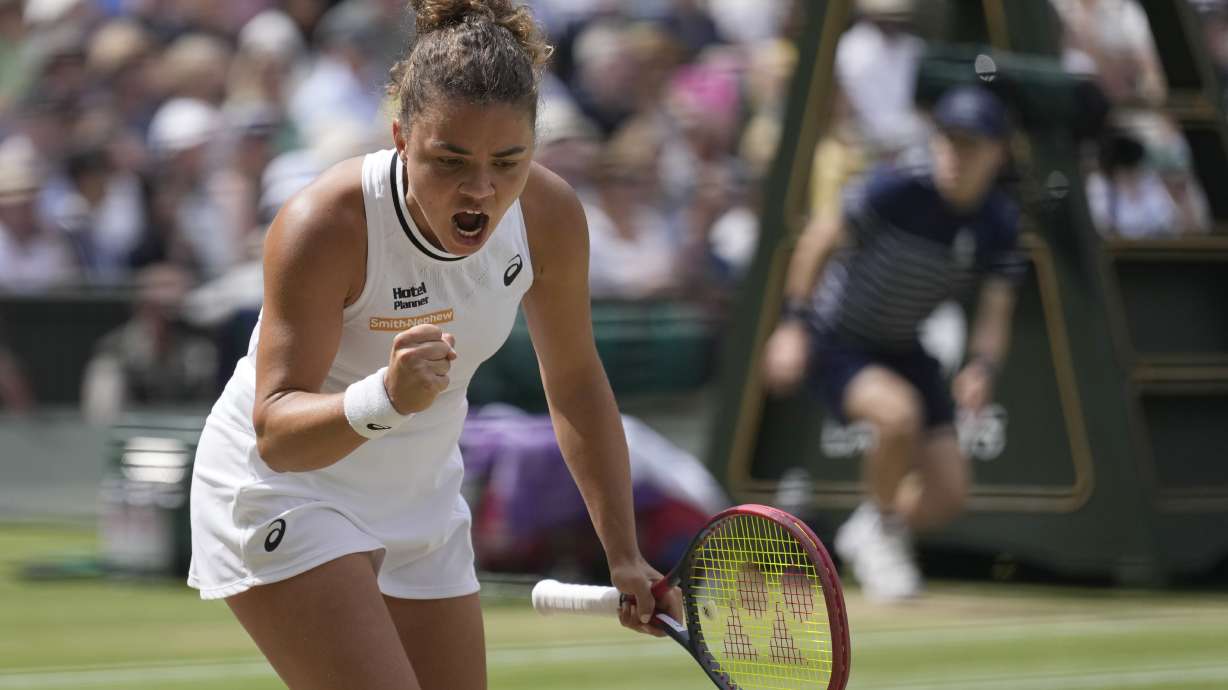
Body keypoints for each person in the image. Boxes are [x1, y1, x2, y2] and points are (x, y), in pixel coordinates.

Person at [187, 2, 682, 689]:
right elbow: (274, 432)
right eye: (450, 160)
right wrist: (383, 398)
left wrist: (624, 553)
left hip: (421, 497)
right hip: (284, 490)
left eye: (509, 161)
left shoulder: (551, 215)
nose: (481, 187)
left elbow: (573, 381)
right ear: (400, 136)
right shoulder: (324, 225)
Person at [762, 86, 1024, 602]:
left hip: (903, 346)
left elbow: (997, 311)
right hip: (836, 338)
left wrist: (983, 365)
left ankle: (871, 527)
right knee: (896, 416)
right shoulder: (897, 186)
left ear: (998, 153)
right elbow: (821, 236)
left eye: (970, 145)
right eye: (947, 141)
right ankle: (880, 528)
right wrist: (792, 323)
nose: (954, 155)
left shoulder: (1000, 223)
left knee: (949, 493)